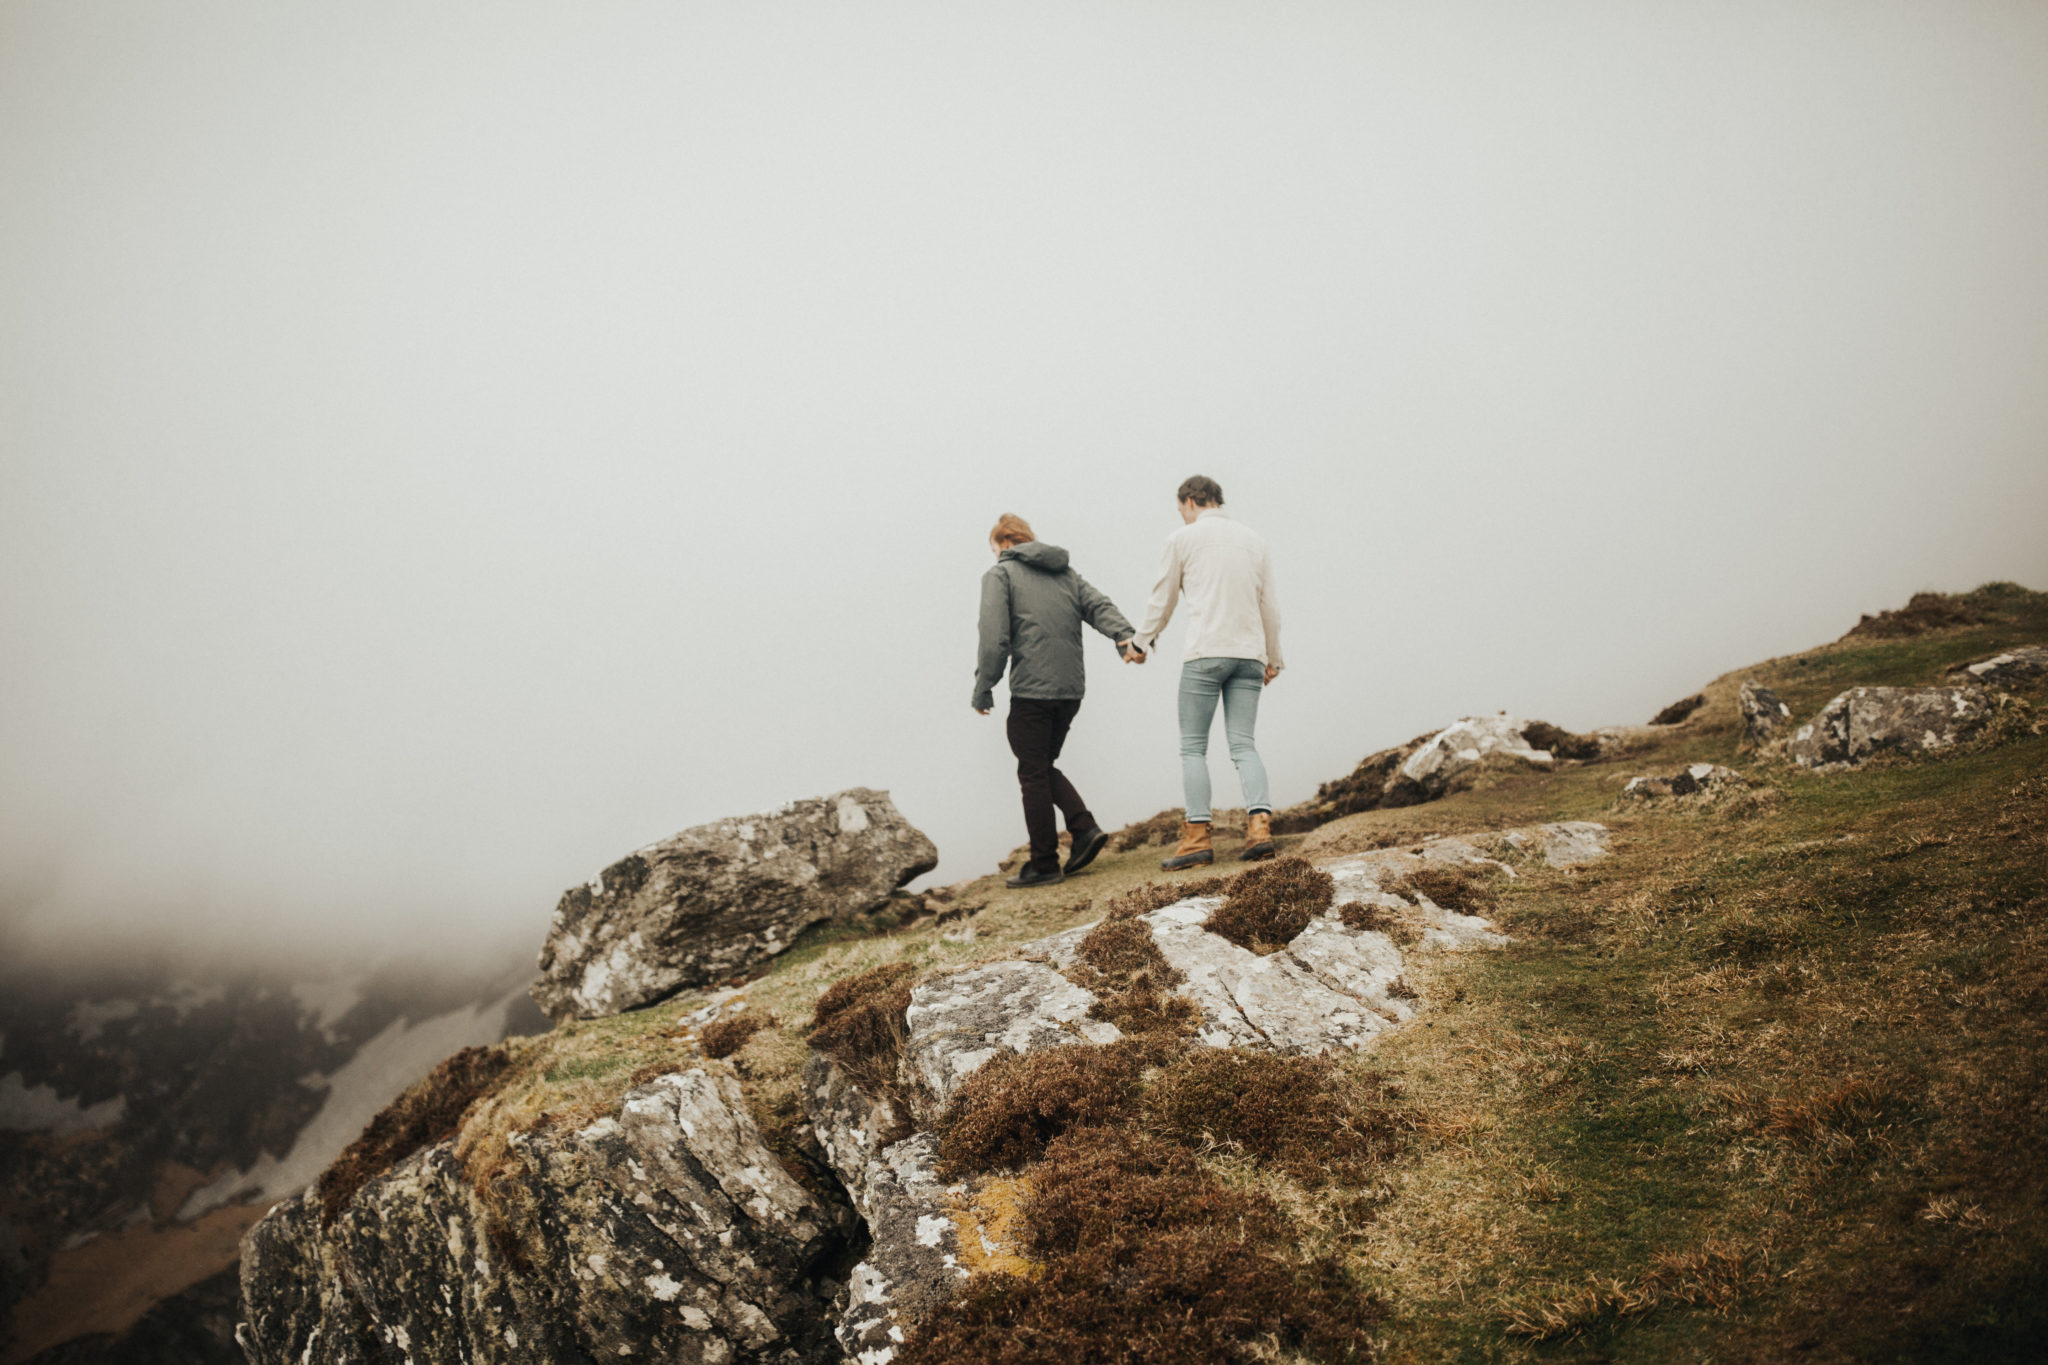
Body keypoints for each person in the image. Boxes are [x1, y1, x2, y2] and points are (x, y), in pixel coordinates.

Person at [973, 513, 1141, 888]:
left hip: (1032, 691)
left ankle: (1045, 863)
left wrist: (984, 686)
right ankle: (1083, 828)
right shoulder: (1066, 574)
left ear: (1003, 543)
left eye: (994, 548)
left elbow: (994, 637)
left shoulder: (1000, 575)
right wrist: (1125, 637)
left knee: (1032, 773)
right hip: (1070, 691)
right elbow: (1099, 606)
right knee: (1041, 765)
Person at [1129, 475, 1285, 869]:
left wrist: (1141, 642)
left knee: (1193, 747)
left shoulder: (1182, 539)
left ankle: (1197, 839)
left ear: (1189, 501)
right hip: (1249, 656)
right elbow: (1269, 606)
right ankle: (1260, 831)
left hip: (1205, 653)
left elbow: (1162, 600)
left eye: (1181, 509)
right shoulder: (1254, 540)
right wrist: (1273, 658)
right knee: (1244, 744)